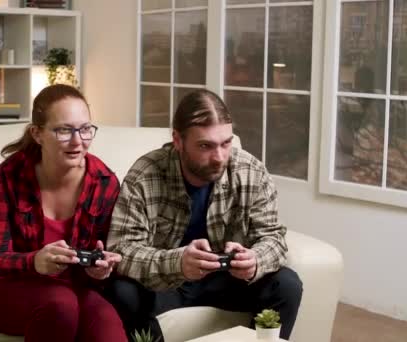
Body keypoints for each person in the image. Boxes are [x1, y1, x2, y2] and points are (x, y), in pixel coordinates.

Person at [105, 89, 303, 341]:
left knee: (287, 285)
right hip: (166, 282)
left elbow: (274, 238)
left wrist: (254, 260)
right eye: (205, 146)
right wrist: (178, 262)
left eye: (226, 143)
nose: (219, 157)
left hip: (226, 280)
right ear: (177, 140)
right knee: (120, 291)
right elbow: (122, 250)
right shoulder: (145, 174)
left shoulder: (250, 170)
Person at [0, 84, 127, 342]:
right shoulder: (9, 176)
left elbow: (107, 255)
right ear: (37, 134)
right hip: (4, 285)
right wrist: (34, 261)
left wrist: (99, 271)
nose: (78, 141)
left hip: (71, 287)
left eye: (85, 129)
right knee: (60, 306)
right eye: (64, 130)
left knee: (107, 325)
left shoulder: (105, 182)